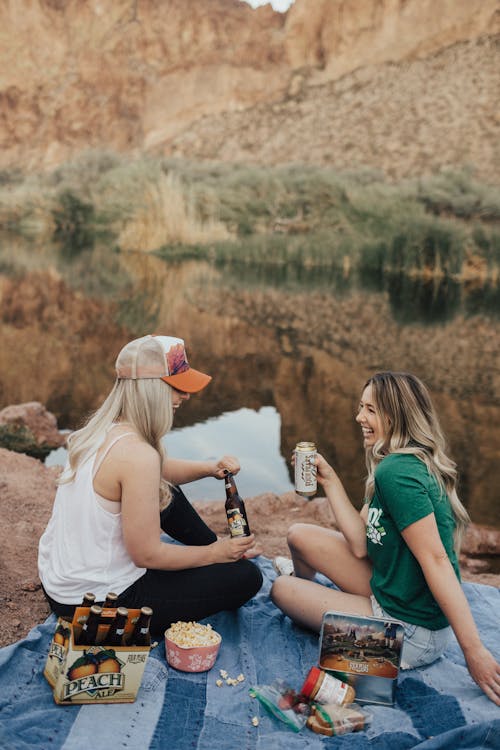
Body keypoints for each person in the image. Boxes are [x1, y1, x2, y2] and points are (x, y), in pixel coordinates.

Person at [271, 371, 500, 705]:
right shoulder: (390, 464)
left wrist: (474, 651)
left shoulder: (398, 474)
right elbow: (361, 543)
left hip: (412, 630)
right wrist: (332, 481)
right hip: (391, 590)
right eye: (361, 407)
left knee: (281, 590)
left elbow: (436, 560)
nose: (359, 417)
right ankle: (312, 596)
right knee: (298, 534)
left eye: (371, 410)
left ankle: (316, 604)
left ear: (395, 417)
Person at [38, 334, 263, 637]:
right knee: (247, 577)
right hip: (98, 605)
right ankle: (219, 555)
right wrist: (215, 555)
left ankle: (216, 551)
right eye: (178, 388)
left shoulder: (100, 431)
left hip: (62, 584)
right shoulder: (138, 456)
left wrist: (209, 468)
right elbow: (147, 556)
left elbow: (156, 470)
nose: (185, 397)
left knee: (163, 488)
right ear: (152, 388)